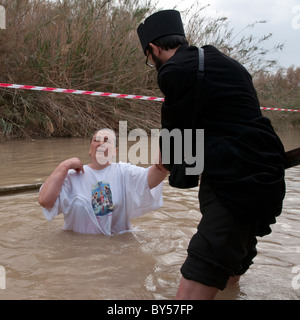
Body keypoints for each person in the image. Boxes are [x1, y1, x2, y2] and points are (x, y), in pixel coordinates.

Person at [137, 10, 286, 299]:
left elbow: (175, 137)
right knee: (230, 274)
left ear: (153, 49)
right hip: (267, 177)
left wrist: (161, 165)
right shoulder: (227, 63)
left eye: (149, 57)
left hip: (237, 186)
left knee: (198, 275)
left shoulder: (175, 70)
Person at [39, 128, 168, 235]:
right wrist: (64, 165)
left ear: (114, 152)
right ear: (90, 149)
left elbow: (159, 169)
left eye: (107, 141)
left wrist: (173, 134)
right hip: (78, 252)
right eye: (96, 140)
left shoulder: (125, 173)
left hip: (117, 249)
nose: (101, 144)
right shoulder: (71, 176)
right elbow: (45, 201)